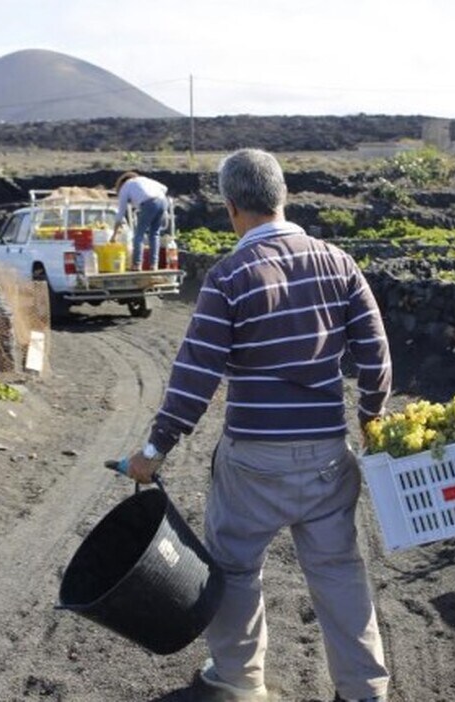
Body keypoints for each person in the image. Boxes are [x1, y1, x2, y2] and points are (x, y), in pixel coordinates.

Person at [125, 148, 392, 702]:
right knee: (339, 570)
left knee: (236, 567)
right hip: (325, 455)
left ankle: (239, 681)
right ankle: (365, 690)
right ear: (282, 195)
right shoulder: (339, 263)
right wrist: (371, 416)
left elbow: (194, 376)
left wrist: (156, 448)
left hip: (254, 461)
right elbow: (375, 353)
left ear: (231, 209)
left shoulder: (230, 277)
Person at [112, 171, 169, 270]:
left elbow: (120, 212)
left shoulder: (125, 187)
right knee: (155, 234)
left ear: (121, 184)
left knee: (139, 235)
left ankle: (136, 264)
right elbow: (164, 188)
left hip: (149, 203)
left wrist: (114, 234)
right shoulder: (143, 180)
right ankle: (153, 265)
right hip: (163, 201)